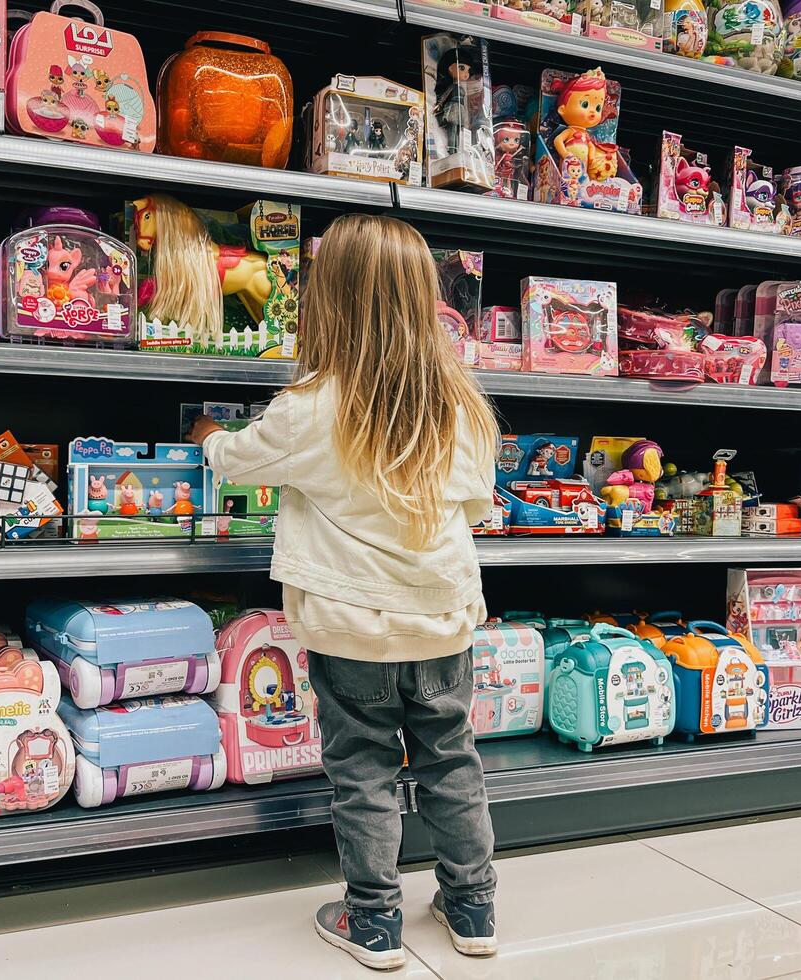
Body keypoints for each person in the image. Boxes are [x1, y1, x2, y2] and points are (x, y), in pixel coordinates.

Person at [189, 214, 501, 971]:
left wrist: (204, 433)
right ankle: (471, 905)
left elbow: (236, 461)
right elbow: (474, 506)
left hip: (351, 627)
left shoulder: (311, 405)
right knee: (450, 761)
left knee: (361, 770)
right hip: (441, 623)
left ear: (327, 300)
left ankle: (372, 920)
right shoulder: (459, 402)